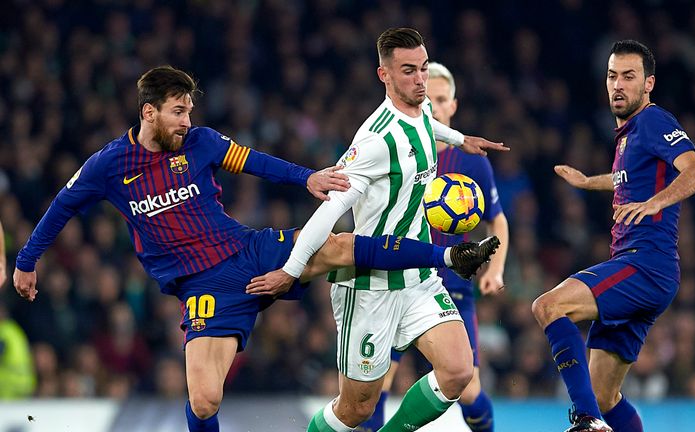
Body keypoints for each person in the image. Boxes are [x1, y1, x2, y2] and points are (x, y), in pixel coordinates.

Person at [12, 66, 501, 432]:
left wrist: (307, 176)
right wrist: (26, 262)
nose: (187, 121)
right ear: (149, 112)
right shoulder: (109, 165)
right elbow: (61, 207)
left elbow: (254, 162)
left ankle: (446, 257)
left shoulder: (200, 142)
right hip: (204, 287)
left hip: (248, 250)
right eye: (178, 112)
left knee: (341, 247)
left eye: (189, 111)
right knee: (204, 400)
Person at [249, 28, 508, 432]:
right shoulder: (374, 140)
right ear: (384, 75)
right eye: (408, 71)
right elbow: (330, 209)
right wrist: (292, 269)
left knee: (458, 371)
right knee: (356, 409)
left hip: (418, 276)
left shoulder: (422, 111)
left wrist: (461, 139)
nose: (420, 80)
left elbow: (427, 125)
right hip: (370, 286)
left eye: (423, 69)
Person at [531, 40, 695, 432]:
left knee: (549, 307)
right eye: (613, 76)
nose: (618, 85)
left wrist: (655, 203)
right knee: (605, 394)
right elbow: (626, 179)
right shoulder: (629, 133)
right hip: (646, 270)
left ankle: (585, 420)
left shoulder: (653, 120)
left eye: (629, 77)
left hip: (644, 264)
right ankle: (596, 413)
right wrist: (586, 181)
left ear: (649, 84)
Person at [357, 62, 509, 432]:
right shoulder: (400, 149)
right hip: (400, 277)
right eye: (429, 100)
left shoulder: (471, 160)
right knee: (376, 383)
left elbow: (498, 219)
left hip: (453, 283)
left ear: (453, 106)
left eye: (441, 100)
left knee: (469, 389)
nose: (434, 107)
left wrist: (496, 268)